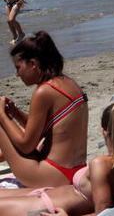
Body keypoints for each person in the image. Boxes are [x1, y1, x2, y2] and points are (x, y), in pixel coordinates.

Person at [0, 103, 114, 215]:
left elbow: (104, 214)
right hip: (47, 195)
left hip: (47, 206)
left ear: (104, 131)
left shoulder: (100, 165)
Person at [0, 32, 88, 187]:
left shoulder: (44, 91)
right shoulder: (67, 83)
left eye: (18, 67)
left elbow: (27, 145)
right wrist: (15, 114)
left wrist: (2, 115)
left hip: (50, 175)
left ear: (33, 64)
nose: (17, 74)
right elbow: (43, 129)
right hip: (72, 170)